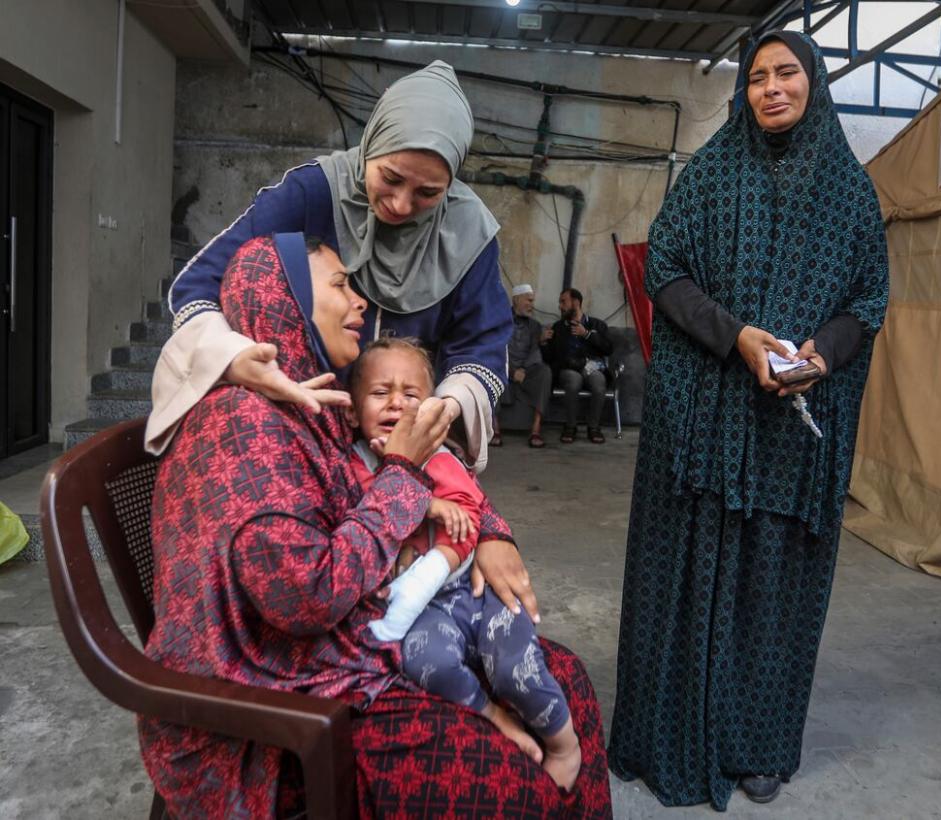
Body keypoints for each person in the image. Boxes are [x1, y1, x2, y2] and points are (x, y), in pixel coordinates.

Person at [140, 234, 611, 817]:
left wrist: (487, 528)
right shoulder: (244, 426)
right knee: (516, 780)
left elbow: (437, 476)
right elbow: (307, 597)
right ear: (282, 298)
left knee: (568, 683)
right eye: (339, 284)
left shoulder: (314, 403)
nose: (359, 300)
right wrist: (403, 475)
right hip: (281, 700)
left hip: (353, 645)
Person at [607, 31, 889, 810]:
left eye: (786, 73)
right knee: (684, 574)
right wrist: (736, 337)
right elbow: (664, 268)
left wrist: (821, 357)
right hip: (702, 420)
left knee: (773, 583)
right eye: (758, 76)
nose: (771, 88)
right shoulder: (710, 174)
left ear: (814, 81)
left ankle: (760, 748)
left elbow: (867, 301)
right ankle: (660, 731)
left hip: (787, 434)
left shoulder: (850, 192)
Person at [146, 60, 509, 475]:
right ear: (371, 144)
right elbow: (199, 287)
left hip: (407, 452)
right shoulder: (312, 194)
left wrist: (444, 408)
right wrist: (233, 357)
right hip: (296, 436)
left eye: (429, 193)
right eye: (390, 177)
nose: (402, 205)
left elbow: (483, 346)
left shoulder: (469, 234)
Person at [347, 337, 582, 790]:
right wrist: (426, 505)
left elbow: (468, 508)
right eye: (380, 393)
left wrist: (434, 501)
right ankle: (486, 711)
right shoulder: (352, 466)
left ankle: (563, 744)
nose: (397, 402)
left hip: (476, 589)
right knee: (424, 661)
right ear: (353, 411)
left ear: (432, 408)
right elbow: (361, 516)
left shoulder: (440, 457)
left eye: (411, 395)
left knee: (516, 668)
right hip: (427, 607)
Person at [541, 288, 614, 444]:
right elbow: (549, 357)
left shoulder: (597, 324)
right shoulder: (558, 328)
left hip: (593, 367)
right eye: (560, 302)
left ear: (576, 302)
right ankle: (570, 426)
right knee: (573, 382)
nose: (560, 306)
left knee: (599, 384)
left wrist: (586, 334)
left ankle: (593, 427)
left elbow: (608, 348)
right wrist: (543, 342)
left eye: (563, 302)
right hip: (569, 368)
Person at [492, 283, 553, 448]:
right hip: (504, 368)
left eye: (532, 301)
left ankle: (535, 429)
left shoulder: (534, 325)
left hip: (526, 370)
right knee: (489, 370)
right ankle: (494, 429)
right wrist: (512, 371)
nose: (531, 305)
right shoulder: (501, 322)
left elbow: (534, 350)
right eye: (528, 300)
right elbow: (496, 349)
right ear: (516, 300)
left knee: (545, 372)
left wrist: (523, 369)